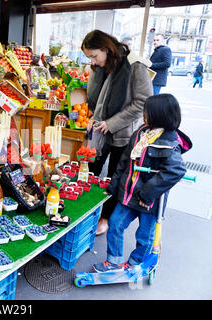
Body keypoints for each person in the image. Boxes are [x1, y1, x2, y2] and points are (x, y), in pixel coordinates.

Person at [92, 94, 192, 272]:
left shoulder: (169, 143)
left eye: (147, 112)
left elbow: (175, 171)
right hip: (128, 193)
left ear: (160, 115)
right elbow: (125, 160)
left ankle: (135, 263)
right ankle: (114, 261)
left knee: (145, 236)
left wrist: (147, 193)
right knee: (115, 224)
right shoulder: (141, 133)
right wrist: (115, 184)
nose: (144, 116)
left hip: (149, 201)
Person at [82, 29, 153, 235]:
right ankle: (88, 212)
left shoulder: (134, 66)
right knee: (91, 170)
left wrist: (112, 123)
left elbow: (143, 103)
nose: (93, 62)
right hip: (101, 129)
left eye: (94, 56)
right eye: (89, 58)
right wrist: (94, 118)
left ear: (106, 48)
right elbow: (101, 99)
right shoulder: (106, 66)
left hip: (124, 134)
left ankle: (105, 218)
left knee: (115, 177)